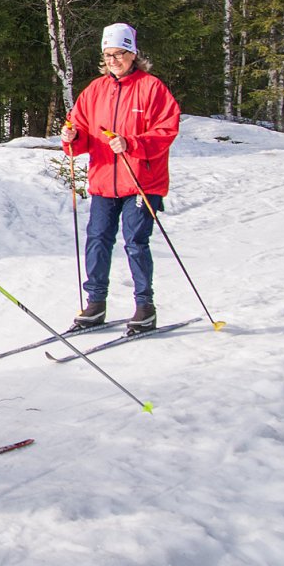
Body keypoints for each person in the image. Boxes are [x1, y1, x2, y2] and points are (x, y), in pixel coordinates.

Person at [60, 23, 181, 335]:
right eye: (108, 54)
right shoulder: (94, 91)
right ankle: (95, 303)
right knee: (98, 239)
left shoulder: (152, 88)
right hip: (104, 181)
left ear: (133, 54)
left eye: (119, 54)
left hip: (141, 181)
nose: (113, 60)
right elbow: (79, 132)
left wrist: (132, 143)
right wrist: (71, 136)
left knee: (136, 242)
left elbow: (167, 130)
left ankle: (145, 307)